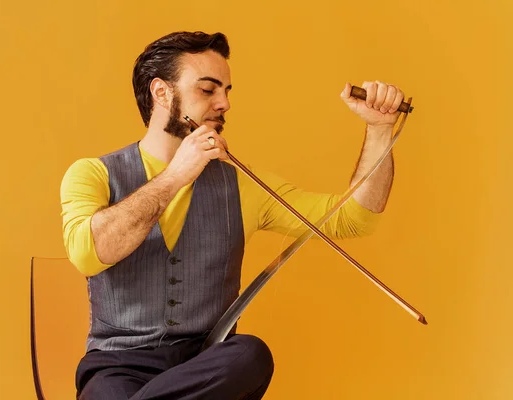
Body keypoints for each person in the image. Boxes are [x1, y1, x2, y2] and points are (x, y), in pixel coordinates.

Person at [60, 31, 404, 400]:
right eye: (208, 90)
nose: (224, 103)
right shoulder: (92, 174)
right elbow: (89, 253)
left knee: (250, 354)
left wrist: (380, 130)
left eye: (226, 90)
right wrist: (178, 173)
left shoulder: (242, 186)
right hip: (119, 366)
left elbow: (353, 218)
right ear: (161, 92)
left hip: (207, 367)